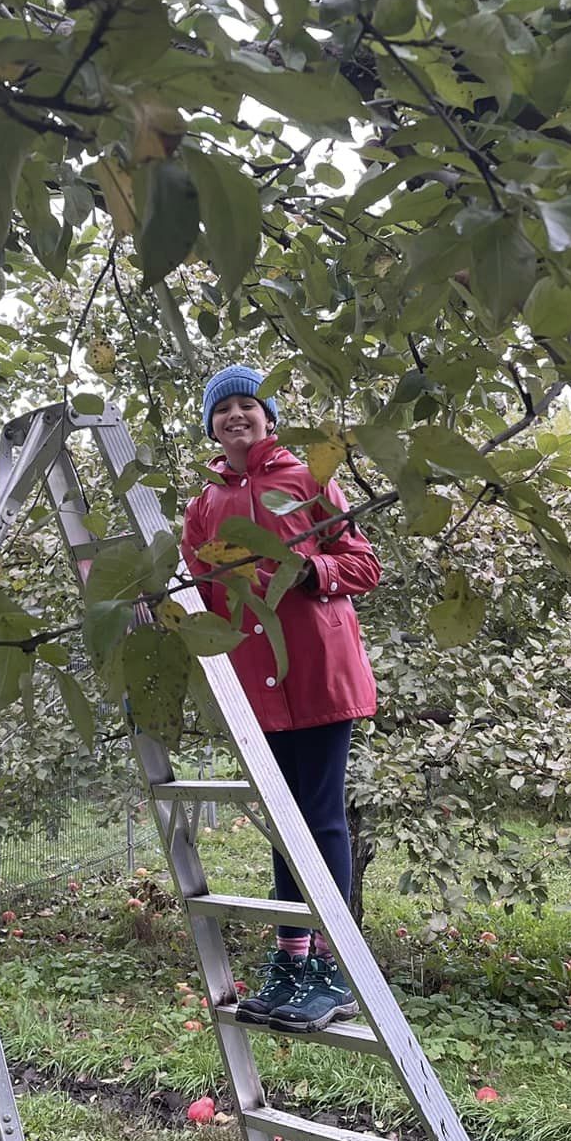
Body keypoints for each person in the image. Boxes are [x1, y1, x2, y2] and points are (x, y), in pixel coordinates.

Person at [179, 364, 382, 1033]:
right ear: (211, 425)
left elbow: (362, 564)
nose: (236, 416)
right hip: (256, 684)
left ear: (267, 418)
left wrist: (308, 570)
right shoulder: (204, 506)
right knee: (280, 818)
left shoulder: (307, 480)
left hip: (319, 673)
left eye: (247, 405)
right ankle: (291, 959)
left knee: (320, 817)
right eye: (223, 409)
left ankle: (330, 964)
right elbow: (202, 594)